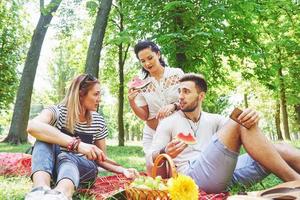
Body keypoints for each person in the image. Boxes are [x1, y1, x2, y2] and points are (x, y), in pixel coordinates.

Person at [150, 73, 300, 193]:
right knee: (237, 119)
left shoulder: (213, 119)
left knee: (281, 148)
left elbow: (246, 130)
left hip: (224, 176)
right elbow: (150, 162)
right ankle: (295, 182)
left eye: (186, 91)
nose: (180, 96)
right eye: (180, 91)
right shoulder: (168, 122)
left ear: (201, 96)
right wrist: (165, 151)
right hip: (192, 178)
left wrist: (252, 116)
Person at [25, 74, 138, 200]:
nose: (99, 99)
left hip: (83, 168)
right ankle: (39, 190)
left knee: (67, 157)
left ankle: (61, 194)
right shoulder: (58, 112)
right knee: (43, 139)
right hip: (53, 167)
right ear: (80, 94)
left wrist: (122, 170)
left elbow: (101, 158)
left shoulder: (98, 121)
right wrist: (77, 145)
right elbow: (32, 126)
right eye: (96, 94)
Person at [127, 40, 184, 171]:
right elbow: (145, 115)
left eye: (150, 58)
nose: (147, 63)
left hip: (176, 132)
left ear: (158, 54)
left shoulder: (177, 73)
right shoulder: (143, 84)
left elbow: (188, 98)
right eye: (142, 61)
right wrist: (131, 102)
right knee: (154, 173)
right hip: (152, 133)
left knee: (176, 171)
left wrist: (174, 106)